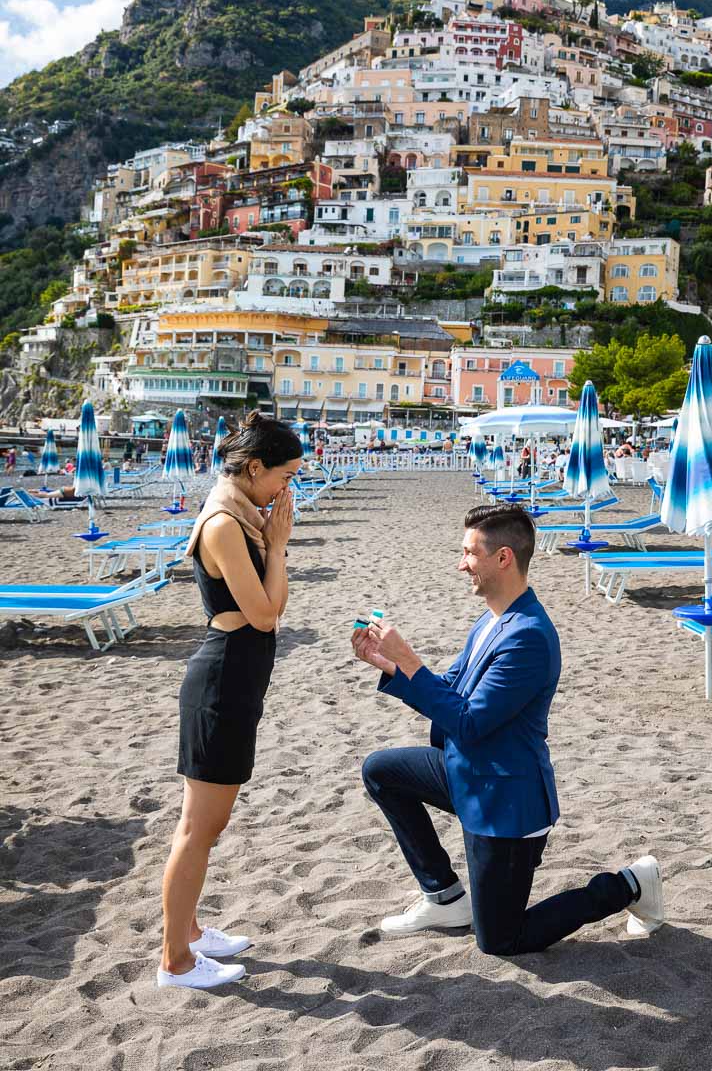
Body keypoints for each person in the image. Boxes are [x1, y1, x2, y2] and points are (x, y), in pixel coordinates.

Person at [352, 504, 663, 956]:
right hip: (468, 771)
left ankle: (630, 884)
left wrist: (412, 661)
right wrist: (394, 664)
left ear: (503, 558)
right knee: (381, 770)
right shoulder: (493, 619)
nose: (461, 564)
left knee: (501, 940)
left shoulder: (529, 636)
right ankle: (444, 896)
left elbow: (470, 722)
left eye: (468, 553)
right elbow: (453, 692)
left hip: (507, 802)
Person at [157, 413, 302, 991]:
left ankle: (189, 931)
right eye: (284, 475)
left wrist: (276, 548)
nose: (286, 488)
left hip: (237, 682)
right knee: (198, 828)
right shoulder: (223, 523)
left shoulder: (248, 518)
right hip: (220, 683)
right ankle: (174, 960)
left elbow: (274, 606)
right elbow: (265, 614)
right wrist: (280, 545)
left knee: (206, 826)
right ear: (254, 467)